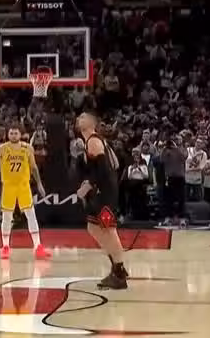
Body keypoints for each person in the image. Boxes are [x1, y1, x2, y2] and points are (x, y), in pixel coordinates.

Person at [0, 123, 51, 260]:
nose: (13, 135)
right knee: (7, 216)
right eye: (11, 133)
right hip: (9, 186)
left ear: (21, 134)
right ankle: (5, 247)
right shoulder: (2, 148)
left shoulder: (27, 148)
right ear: (8, 134)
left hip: (23, 186)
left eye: (16, 133)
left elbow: (34, 168)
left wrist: (39, 184)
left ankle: (38, 246)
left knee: (31, 215)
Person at [75, 112, 127, 290]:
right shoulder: (92, 142)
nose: (79, 118)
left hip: (105, 192)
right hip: (102, 191)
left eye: (83, 117)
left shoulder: (94, 140)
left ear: (92, 123)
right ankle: (116, 265)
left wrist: (88, 185)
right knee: (93, 227)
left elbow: (104, 169)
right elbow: (114, 164)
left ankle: (119, 273)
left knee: (109, 230)